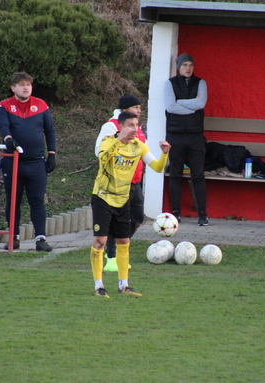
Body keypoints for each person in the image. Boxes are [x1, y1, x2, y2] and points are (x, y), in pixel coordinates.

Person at [90, 111, 170, 298]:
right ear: (121, 127)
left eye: (137, 125)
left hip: (123, 199)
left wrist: (165, 154)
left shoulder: (138, 147)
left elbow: (157, 167)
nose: (135, 129)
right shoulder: (108, 141)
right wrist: (120, 141)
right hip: (103, 198)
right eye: (131, 125)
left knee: (124, 241)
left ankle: (124, 286)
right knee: (100, 241)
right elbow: (102, 160)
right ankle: (99, 286)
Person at [0, 72, 57, 252]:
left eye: (29, 84)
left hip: (37, 163)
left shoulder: (41, 105)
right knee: (13, 200)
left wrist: (52, 153)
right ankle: (13, 238)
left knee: (37, 201)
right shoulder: (4, 106)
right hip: (13, 162)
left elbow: (50, 130)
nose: (26, 87)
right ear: (13, 87)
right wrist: (8, 139)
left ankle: (40, 239)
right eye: (22, 84)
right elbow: (3, 127)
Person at [94, 94, 146, 272]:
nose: (139, 110)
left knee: (138, 218)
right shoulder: (110, 126)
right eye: (135, 107)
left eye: (140, 107)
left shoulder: (138, 128)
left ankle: (116, 246)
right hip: (116, 184)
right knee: (114, 221)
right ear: (124, 110)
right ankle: (111, 256)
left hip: (136, 181)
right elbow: (99, 152)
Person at [164, 53, 208, 226]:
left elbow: (201, 103)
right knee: (175, 175)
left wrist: (179, 102)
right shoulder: (170, 84)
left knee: (198, 175)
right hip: (175, 136)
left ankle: (202, 214)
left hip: (195, 137)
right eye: (184, 65)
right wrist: (191, 106)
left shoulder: (201, 83)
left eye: (190, 65)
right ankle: (176, 212)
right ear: (178, 67)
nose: (188, 68)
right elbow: (170, 106)